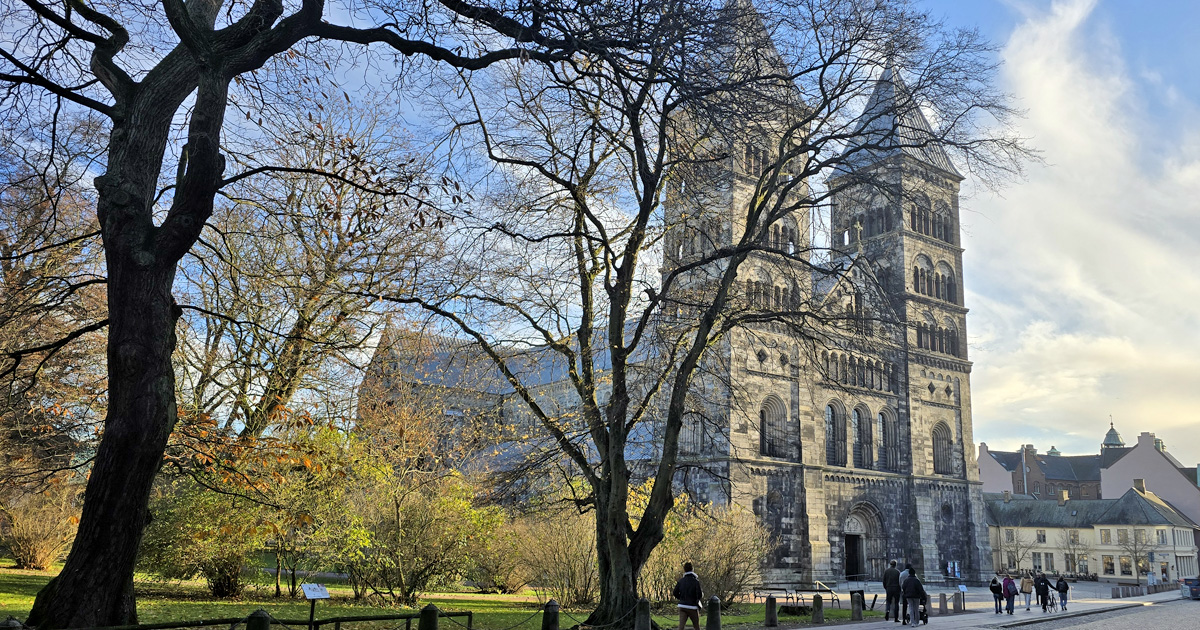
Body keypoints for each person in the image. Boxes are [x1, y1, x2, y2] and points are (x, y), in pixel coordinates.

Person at [673, 562, 703, 630]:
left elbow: (675, 592)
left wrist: (681, 598)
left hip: (682, 606)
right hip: (692, 606)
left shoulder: (681, 581)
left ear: (684, 570)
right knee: (696, 627)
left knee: (681, 627)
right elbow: (699, 594)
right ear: (692, 569)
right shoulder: (695, 581)